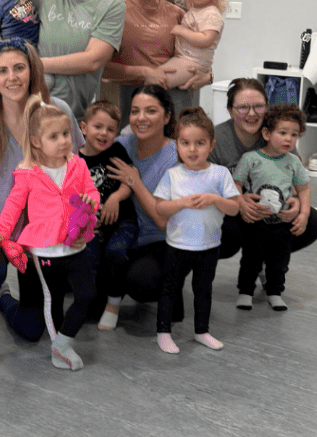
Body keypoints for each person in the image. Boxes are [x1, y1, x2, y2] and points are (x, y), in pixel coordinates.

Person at [0, 39, 76, 357]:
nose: (12, 77)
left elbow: (74, 177)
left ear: (31, 71)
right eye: (3, 71)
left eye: (19, 68)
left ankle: (4, 299)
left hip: (41, 234)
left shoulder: (58, 113)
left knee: (31, 330)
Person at [0, 96, 100, 371]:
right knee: (51, 300)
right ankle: (59, 348)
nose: (64, 140)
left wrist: (92, 202)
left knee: (87, 294)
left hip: (75, 245)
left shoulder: (78, 165)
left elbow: (91, 192)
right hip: (44, 250)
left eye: (66, 133)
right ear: (36, 141)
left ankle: (62, 342)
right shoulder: (28, 173)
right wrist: (1, 235)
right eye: (54, 136)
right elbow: (13, 206)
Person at [152, 107, 240, 354]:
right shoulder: (172, 175)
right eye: (185, 143)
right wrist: (181, 202)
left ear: (211, 145)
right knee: (169, 289)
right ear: (177, 146)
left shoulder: (220, 174)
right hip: (177, 246)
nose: (192, 149)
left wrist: (214, 199)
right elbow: (160, 208)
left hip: (208, 246)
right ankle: (163, 332)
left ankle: (202, 331)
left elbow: (234, 208)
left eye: (199, 143)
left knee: (204, 290)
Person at [210, 77, 317, 264]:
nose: (252, 113)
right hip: (228, 210)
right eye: (243, 107)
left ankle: (265, 258)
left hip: (269, 210)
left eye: (259, 106)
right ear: (231, 111)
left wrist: (294, 201)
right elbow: (201, 185)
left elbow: (296, 181)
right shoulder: (215, 140)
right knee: (229, 233)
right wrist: (237, 201)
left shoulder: (279, 134)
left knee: (312, 221)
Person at [103, 0, 212, 117]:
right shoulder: (115, 11)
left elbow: (197, 57)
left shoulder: (177, 14)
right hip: (134, 102)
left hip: (176, 101)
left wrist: (208, 77)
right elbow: (103, 69)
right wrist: (144, 73)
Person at [30, 0, 125, 121]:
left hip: (69, 117)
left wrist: (35, 65)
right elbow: (13, 21)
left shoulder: (112, 5)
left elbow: (92, 60)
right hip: (30, 108)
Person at [106, 85, 182, 312]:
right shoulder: (121, 144)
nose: (141, 118)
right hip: (126, 235)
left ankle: (173, 282)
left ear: (167, 116)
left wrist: (135, 183)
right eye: (135, 111)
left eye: (150, 111)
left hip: (161, 240)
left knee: (141, 284)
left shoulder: (177, 156)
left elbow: (164, 223)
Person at [232, 104, 311, 312]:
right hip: (254, 222)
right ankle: (245, 292)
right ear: (266, 133)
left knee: (280, 261)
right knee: (251, 258)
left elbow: (304, 190)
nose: (288, 139)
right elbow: (236, 184)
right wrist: (241, 202)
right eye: (283, 133)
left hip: (282, 223)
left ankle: (275, 292)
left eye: (294, 135)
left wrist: (303, 214)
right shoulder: (251, 159)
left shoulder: (293, 162)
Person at [78, 100, 137, 331]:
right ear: (84, 128)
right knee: (88, 258)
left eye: (110, 129)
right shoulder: (76, 160)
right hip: (94, 225)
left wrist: (116, 197)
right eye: (98, 127)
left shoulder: (117, 151)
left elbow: (128, 182)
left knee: (115, 252)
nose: (104, 133)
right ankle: (87, 301)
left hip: (123, 221)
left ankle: (113, 303)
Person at [159, 0, 227, 89]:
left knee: (158, 80)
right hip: (184, 60)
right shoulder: (194, 11)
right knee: (154, 78)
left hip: (192, 63)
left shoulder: (211, 13)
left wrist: (182, 30)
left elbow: (206, 40)